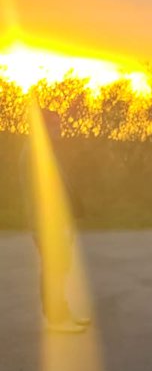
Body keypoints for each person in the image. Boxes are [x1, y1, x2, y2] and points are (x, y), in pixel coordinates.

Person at [21, 109, 91, 333]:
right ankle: (57, 321)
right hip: (47, 223)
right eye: (54, 125)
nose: (59, 129)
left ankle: (60, 314)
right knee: (54, 270)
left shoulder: (44, 151)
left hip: (54, 223)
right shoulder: (36, 152)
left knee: (59, 268)